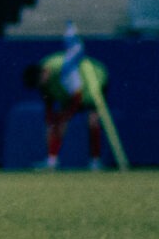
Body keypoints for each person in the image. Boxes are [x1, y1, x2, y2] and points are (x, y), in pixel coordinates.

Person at [25, 42, 109, 171]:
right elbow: (49, 102)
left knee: (93, 122)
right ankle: (51, 161)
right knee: (53, 125)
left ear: (44, 73)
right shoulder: (43, 81)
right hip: (68, 95)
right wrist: (51, 121)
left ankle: (95, 162)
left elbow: (77, 95)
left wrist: (65, 117)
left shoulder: (64, 69)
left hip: (93, 85)